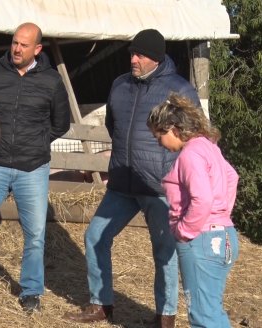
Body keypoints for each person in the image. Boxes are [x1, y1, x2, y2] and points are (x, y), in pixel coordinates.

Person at [63, 29, 200, 328]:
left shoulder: (179, 90)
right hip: (124, 182)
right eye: (131, 54)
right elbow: (115, 125)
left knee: (164, 252)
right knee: (95, 236)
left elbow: (195, 138)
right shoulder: (120, 85)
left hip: (161, 187)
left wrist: (176, 175)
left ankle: (165, 317)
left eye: (139, 54)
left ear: (156, 57)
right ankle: (102, 305)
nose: (133, 59)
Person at [0, 22, 70, 313]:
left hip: (33, 168)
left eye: (24, 45)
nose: (17, 49)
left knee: (35, 234)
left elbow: (61, 123)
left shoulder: (52, 81)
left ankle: (31, 291)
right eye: (15, 42)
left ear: (37, 49)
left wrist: (38, 142)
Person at [147, 93, 239, 327]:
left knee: (202, 316)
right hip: (224, 236)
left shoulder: (190, 154)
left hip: (202, 241)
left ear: (173, 128)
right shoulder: (208, 147)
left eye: (159, 136)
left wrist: (185, 231)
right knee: (211, 310)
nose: (159, 143)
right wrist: (222, 214)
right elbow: (232, 176)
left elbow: (202, 198)